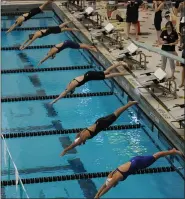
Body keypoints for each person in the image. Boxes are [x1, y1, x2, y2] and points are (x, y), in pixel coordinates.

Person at [94, 148, 182, 199]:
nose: (114, 185)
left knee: (156, 156)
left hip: (138, 164)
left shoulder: (115, 178)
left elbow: (107, 188)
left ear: (112, 182)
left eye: (114, 184)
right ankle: (172, 152)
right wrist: (96, 195)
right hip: (134, 159)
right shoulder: (111, 175)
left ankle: (173, 151)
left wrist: (99, 196)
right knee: (155, 156)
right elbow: (104, 186)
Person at [60, 101, 138, 157]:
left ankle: (129, 104)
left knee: (117, 114)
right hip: (99, 121)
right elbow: (78, 138)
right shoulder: (81, 134)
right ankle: (128, 104)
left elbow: (72, 146)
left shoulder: (82, 138)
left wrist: (65, 151)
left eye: (79, 143)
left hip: (103, 124)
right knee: (115, 113)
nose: (80, 144)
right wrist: (82, 141)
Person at [50, 62, 128, 105]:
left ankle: (122, 73)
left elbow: (64, 93)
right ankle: (119, 63)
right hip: (88, 74)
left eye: (73, 91)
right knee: (106, 72)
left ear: (72, 89)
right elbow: (65, 90)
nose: (73, 90)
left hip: (90, 76)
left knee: (108, 76)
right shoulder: (70, 83)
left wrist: (56, 100)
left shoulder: (72, 86)